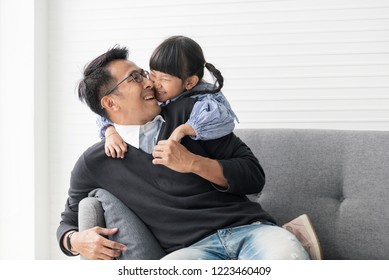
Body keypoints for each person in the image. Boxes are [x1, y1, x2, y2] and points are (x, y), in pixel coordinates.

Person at [57, 45, 311, 260]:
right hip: (191, 252)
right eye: (135, 78)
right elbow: (66, 223)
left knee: (286, 260)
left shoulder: (192, 116)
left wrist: (192, 162)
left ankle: (293, 242)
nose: (150, 82)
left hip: (250, 231)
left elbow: (254, 177)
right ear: (110, 103)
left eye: (143, 73)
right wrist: (76, 241)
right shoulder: (95, 163)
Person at [97, 36, 238, 159]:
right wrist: (110, 131)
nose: (153, 83)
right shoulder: (161, 93)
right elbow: (113, 110)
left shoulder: (204, 101)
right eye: (152, 74)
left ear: (189, 82)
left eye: (164, 79)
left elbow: (221, 118)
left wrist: (182, 130)